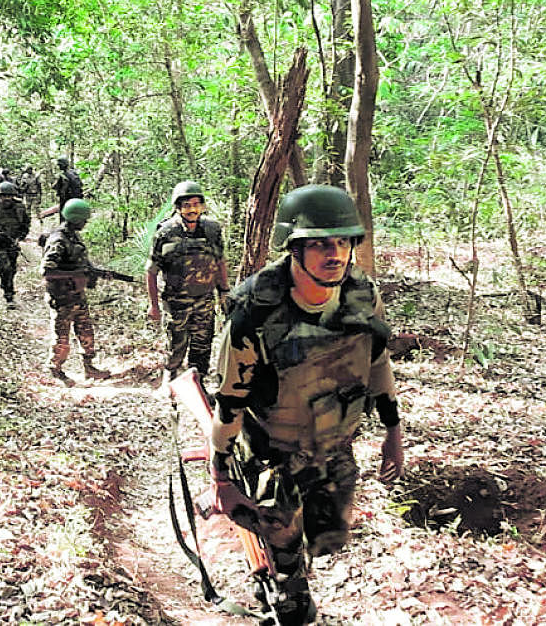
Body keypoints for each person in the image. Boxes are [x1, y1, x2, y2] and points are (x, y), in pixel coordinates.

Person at [208, 184, 404, 626]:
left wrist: (393, 431)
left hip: (333, 440)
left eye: (342, 242)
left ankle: (294, 563)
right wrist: (219, 472)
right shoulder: (255, 309)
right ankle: (287, 590)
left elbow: (378, 362)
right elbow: (230, 398)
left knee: (327, 533)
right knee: (285, 547)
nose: (333, 253)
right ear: (294, 248)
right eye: (319, 244)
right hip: (270, 449)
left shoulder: (361, 295)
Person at [146, 181, 229, 387]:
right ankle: (170, 380)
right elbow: (151, 270)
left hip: (205, 300)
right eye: (186, 205)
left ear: (202, 206)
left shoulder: (212, 230)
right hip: (176, 302)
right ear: (178, 207)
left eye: (196, 204)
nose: (192, 209)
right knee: (176, 344)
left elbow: (220, 262)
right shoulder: (165, 232)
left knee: (203, 345)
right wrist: (154, 305)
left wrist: (225, 292)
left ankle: (198, 385)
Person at [40, 198, 109, 382]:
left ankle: (89, 368)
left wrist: (92, 272)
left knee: (86, 332)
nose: (85, 223)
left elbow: (82, 262)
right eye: (83, 220)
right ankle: (56, 370)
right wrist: (77, 273)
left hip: (77, 295)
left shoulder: (74, 236)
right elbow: (47, 271)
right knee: (62, 338)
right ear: (75, 219)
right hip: (62, 297)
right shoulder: (58, 240)